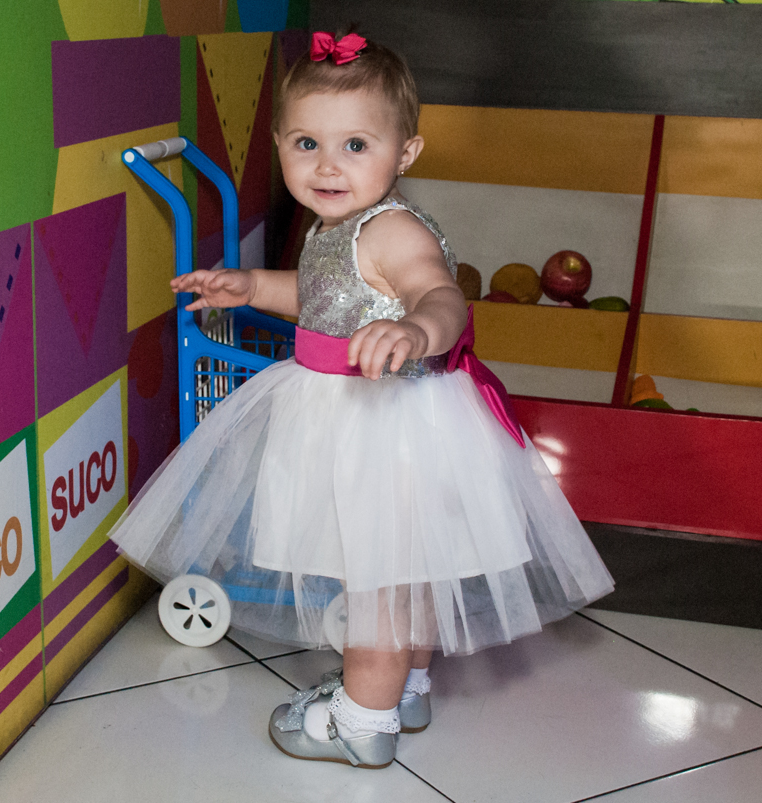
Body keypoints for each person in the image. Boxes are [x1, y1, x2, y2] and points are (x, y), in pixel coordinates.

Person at [108, 30, 614, 769]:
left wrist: (416, 327)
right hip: (352, 414)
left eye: (355, 146)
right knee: (398, 570)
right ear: (280, 143)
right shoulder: (331, 229)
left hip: (382, 424)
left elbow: (441, 296)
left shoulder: (393, 228)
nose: (326, 165)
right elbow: (318, 298)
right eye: (307, 143)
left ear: (405, 153)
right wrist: (250, 287)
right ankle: (404, 686)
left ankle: (361, 721)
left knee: (377, 583)